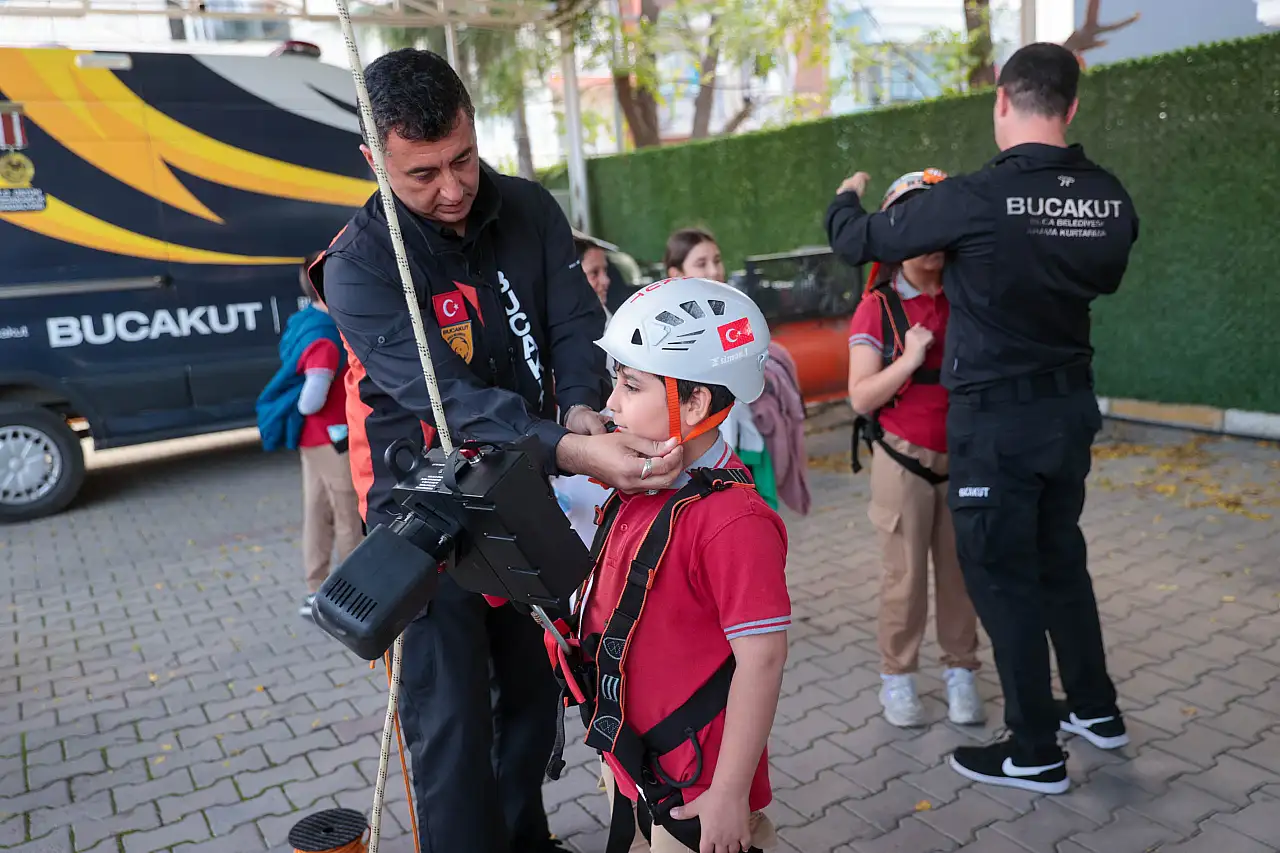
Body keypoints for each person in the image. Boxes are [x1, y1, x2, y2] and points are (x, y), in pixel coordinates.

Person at [307, 49, 685, 853]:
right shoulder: (360, 264)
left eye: (463, 159)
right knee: (449, 724)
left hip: (531, 494)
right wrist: (571, 450)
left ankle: (527, 837)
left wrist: (580, 406)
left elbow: (575, 323)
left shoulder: (529, 208)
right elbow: (450, 402)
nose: (452, 188)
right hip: (425, 520)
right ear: (374, 160)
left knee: (532, 694)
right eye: (422, 174)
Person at [826, 42, 1139, 794]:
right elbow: (1107, 272)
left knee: (1001, 579)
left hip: (996, 428)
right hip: (1068, 413)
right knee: (1060, 558)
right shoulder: (1108, 197)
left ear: (1001, 99)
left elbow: (858, 240)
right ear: (1071, 107)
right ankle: (1095, 710)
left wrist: (845, 196)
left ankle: (1033, 749)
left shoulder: (974, 198)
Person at [564, 276, 788, 853]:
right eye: (616, 381)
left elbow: (762, 659)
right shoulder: (643, 482)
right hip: (634, 756)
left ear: (695, 403)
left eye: (631, 384)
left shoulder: (734, 522)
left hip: (696, 790)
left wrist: (730, 794)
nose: (611, 403)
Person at [845, 170, 983, 729]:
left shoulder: (969, 294)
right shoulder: (878, 308)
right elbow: (860, 396)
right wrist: (909, 359)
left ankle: (961, 670)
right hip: (903, 459)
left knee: (961, 573)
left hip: (966, 459)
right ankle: (898, 677)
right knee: (903, 578)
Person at [255, 254, 363, 616]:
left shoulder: (303, 321)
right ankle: (353, 596)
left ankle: (316, 590)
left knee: (316, 512)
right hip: (333, 440)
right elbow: (310, 400)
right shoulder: (326, 339)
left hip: (311, 441)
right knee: (349, 519)